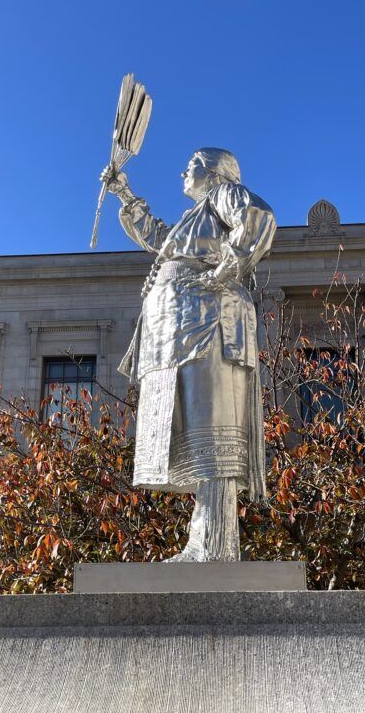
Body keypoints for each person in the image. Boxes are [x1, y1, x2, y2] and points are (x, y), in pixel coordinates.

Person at [102, 148, 276, 561]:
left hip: (209, 321)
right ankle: (205, 541)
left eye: (192, 165)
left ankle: (214, 547)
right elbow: (160, 240)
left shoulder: (224, 195)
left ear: (214, 173)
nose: (183, 171)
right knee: (194, 433)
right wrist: (125, 194)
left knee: (212, 432)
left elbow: (258, 217)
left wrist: (222, 272)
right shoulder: (195, 217)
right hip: (179, 329)